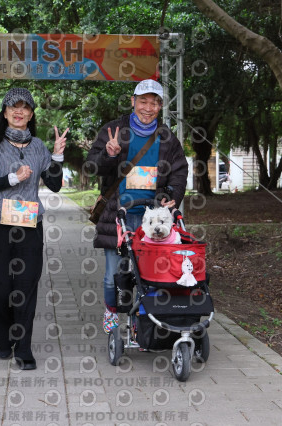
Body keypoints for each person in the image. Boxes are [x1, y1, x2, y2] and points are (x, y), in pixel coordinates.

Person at [85, 79, 188, 333]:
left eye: (154, 103)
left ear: (160, 106)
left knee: (152, 275)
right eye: (143, 101)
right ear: (133, 102)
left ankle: (143, 322)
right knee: (114, 275)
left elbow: (179, 170)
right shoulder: (114, 130)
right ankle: (111, 312)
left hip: (152, 218)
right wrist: (109, 154)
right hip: (117, 215)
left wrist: (173, 194)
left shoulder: (167, 137)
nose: (148, 108)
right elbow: (92, 167)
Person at [0, 87, 68, 370]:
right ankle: (2, 339)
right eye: (14, 107)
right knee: (0, 288)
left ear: (30, 115)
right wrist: (13, 178)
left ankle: (24, 348)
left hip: (29, 225)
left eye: (25, 107)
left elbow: (54, 185)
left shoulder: (38, 147)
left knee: (26, 285)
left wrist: (57, 156)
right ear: (5, 113)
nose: (19, 111)